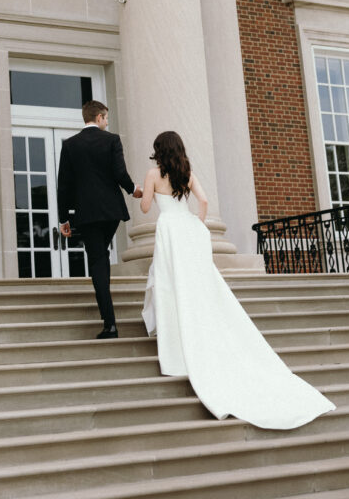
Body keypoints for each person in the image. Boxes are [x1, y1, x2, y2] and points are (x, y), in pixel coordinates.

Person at [140, 130, 336, 429]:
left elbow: (144, 209)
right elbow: (203, 202)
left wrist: (143, 193)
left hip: (168, 229)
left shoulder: (153, 174)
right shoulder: (187, 172)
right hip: (188, 231)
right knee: (196, 288)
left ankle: (176, 346)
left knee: (170, 287)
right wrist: (196, 223)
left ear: (158, 149)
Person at [58, 100, 142, 339]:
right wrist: (133, 189)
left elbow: (63, 184)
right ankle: (109, 319)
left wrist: (64, 218)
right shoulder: (112, 140)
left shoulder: (71, 145)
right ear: (99, 117)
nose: (107, 122)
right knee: (100, 255)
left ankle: (110, 324)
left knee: (97, 260)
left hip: (87, 213)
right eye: (106, 118)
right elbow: (119, 173)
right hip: (111, 211)